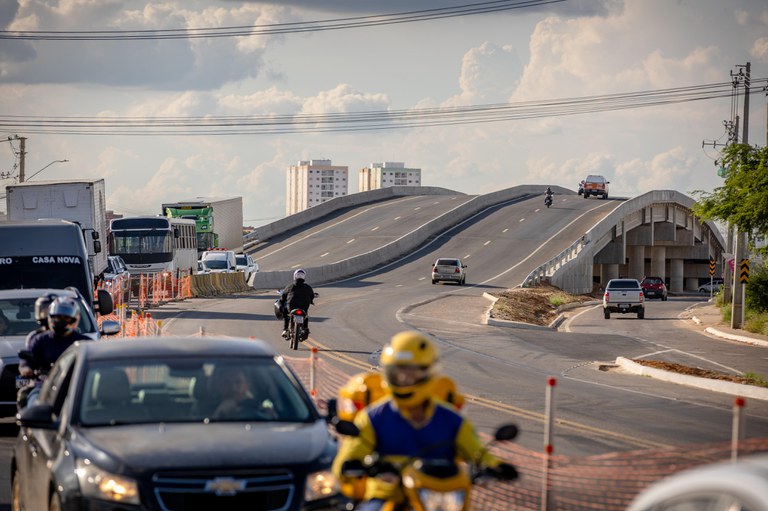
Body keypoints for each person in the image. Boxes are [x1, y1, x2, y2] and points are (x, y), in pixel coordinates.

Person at [332, 331, 516, 509]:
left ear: (429, 373)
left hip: (442, 499)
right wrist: (354, 466)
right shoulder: (374, 417)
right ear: (387, 374)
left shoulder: (451, 418)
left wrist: (496, 466)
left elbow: (477, 452)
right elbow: (348, 456)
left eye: (413, 373)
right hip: (387, 496)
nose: (405, 379)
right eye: (398, 373)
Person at [18, 296, 91, 408]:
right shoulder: (40, 339)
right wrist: (26, 368)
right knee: (29, 401)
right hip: (44, 386)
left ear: (75, 319)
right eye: (57, 317)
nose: (60, 321)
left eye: (65, 318)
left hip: (77, 387)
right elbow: (27, 359)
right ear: (50, 318)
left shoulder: (85, 342)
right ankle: (28, 424)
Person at [280, 268, 315, 338]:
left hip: (291, 306)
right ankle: (305, 328)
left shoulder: (290, 286)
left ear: (295, 276)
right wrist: (311, 301)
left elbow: (283, 296)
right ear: (304, 276)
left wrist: (282, 301)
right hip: (304, 307)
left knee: (286, 313)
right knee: (305, 315)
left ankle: (285, 329)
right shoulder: (307, 287)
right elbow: (312, 296)